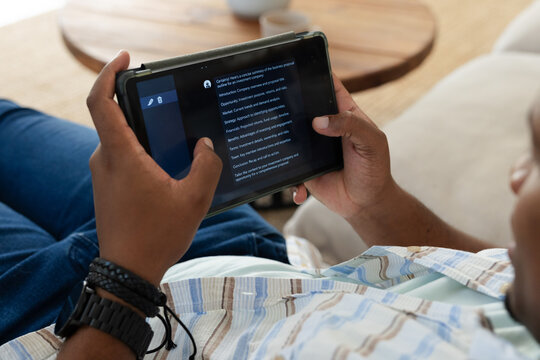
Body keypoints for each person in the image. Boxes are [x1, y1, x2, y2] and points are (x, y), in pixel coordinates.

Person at [0, 51, 538, 359]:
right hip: (247, 251)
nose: (515, 176)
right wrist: (374, 204)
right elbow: (486, 272)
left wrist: (125, 277)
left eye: (536, 158)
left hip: (91, 327)